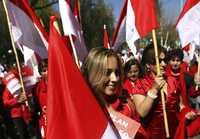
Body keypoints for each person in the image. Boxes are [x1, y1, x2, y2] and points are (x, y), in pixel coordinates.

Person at [82, 47, 147, 138]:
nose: (115, 79)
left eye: (116, 73)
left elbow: (141, 136)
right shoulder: (80, 111)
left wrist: (115, 117)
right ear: (92, 73)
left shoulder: (126, 106)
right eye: (107, 72)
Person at [131, 44, 182, 139]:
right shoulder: (140, 84)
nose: (163, 64)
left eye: (165, 60)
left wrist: (188, 112)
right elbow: (142, 112)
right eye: (158, 61)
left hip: (175, 134)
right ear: (148, 65)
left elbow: (180, 106)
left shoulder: (173, 80)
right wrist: (154, 89)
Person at [35, 59, 48, 139]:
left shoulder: (60, 82)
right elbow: (35, 108)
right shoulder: (37, 88)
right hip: (46, 121)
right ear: (40, 73)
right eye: (44, 70)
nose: (47, 72)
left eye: (49, 69)